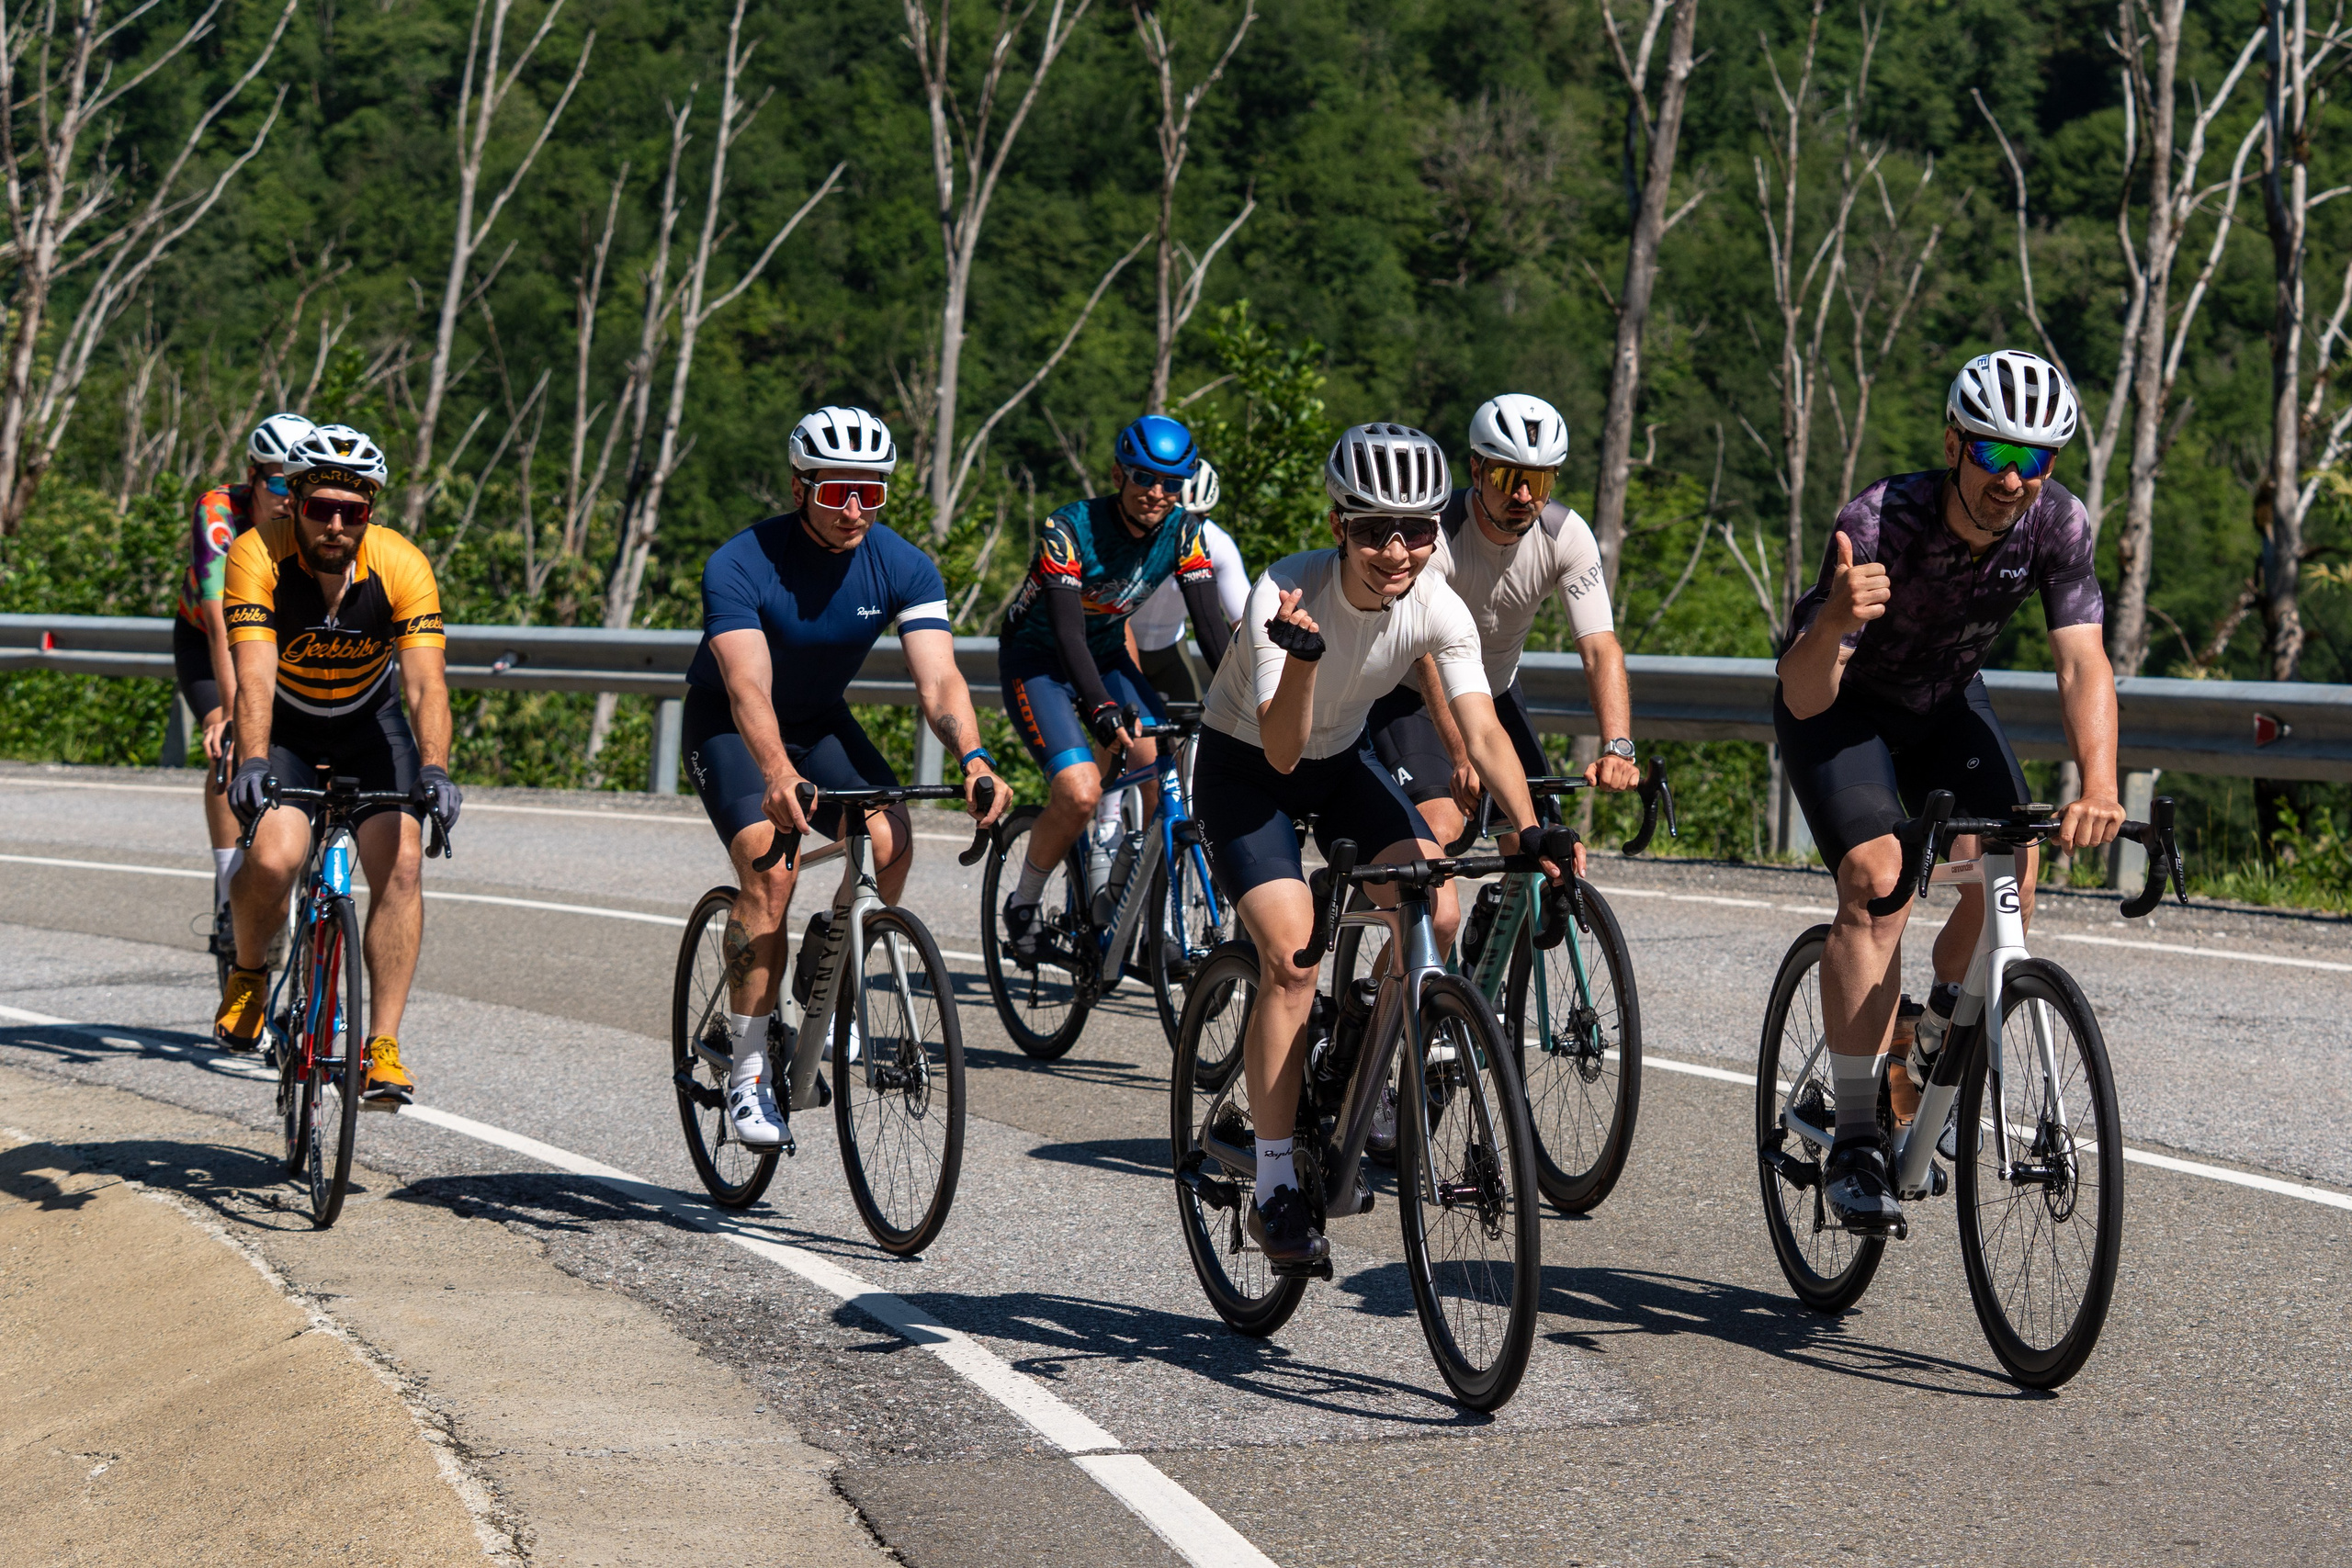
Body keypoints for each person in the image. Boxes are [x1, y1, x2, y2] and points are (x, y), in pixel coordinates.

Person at [1193, 423, 1560, 1271]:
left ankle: (1359, 1050)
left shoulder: (1437, 602)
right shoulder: (1282, 594)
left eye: (1419, 531)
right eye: (1372, 531)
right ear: (1338, 528)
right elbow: (1281, 751)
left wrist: (1527, 823)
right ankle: (1276, 1181)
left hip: (1344, 760)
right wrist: (1307, 660)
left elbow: (1482, 727)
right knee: (1291, 956)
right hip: (1248, 768)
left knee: (1436, 896)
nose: (1397, 551)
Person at [1774, 349, 2125, 1236]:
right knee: (1879, 877)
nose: (2014, 480)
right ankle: (1855, 1136)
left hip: (1943, 703)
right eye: (1996, 456)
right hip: (1842, 709)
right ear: (1954, 444)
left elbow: (2082, 658)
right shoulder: (1880, 520)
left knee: (2015, 861)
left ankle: (1928, 1037)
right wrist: (1835, 620)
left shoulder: (2058, 525)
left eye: (2036, 460)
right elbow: (1806, 692)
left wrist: (2101, 781)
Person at [682, 406, 1007, 1150]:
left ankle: (827, 965)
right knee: (771, 866)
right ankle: (749, 1067)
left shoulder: (903, 565)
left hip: (819, 719)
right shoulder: (740, 563)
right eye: (837, 493)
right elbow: (747, 688)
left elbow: (940, 682)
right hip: (734, 724)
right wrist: (776, 772)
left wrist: (975, 760)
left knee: (890, 841)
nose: (855, 509)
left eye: (872, 492)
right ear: (801, 488)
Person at [216, 425, 459, 1111]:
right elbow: (256, 675)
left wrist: (435, 770)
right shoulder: (255, 554)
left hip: (368, 723)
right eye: (319, 506)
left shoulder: (402, 564)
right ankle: (250, 974)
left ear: (370, 512)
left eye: (350, 511)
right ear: (291, 500)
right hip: (286, 722)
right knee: (273, 856)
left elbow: (424, 686)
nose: (334, 523)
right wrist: (254, 757)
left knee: (403, 861)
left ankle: (381, 1046)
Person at [1364, 394, 1638, 866]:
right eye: (1507, 478)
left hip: (1494, 696)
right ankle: (1398, 927)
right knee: (1443, 825)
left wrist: (1618, 746)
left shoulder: (1567, 536)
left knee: (1543, 842)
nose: (1523, 496)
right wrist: (1463, 755)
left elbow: (1600, 648)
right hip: (1410, 695)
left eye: (1538, 480)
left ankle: (1502, 923)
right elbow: (1424, 652)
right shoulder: (1433, 534)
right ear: (1476, 473)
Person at [995, 415, 1232, 959]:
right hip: (1039, 661)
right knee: (1079, 792)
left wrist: (1248, 701)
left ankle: (1145, 919)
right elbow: (1066, 632)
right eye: (1143, 479)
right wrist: (1100, 708)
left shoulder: (1185, 530)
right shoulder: (1070, 527)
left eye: (1171, 484)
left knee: (1163, 773)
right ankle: (1025, 902)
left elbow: (1211, 628)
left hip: (1104, 655)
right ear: (1118, 474)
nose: (1156, 493)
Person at [174, 412, 314, 954]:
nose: (287, 495)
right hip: (211, 645)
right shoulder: (219, 513)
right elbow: (217, 617)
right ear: (252, 478)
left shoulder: (315, 515)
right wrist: (232, 713)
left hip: (279, 645)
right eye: (276, 481)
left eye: (296, 481)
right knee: (227, 745)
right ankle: (231, 888)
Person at [1127, 459, 1249, 705]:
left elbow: (1244, 623)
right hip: (1120, 644)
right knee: (1124, 732)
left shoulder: (1217, 544)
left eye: (1197, 519)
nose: (1187, 529)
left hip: (1170, 646)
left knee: (1190, 728)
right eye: (1176, 518)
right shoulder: (1131, 536)